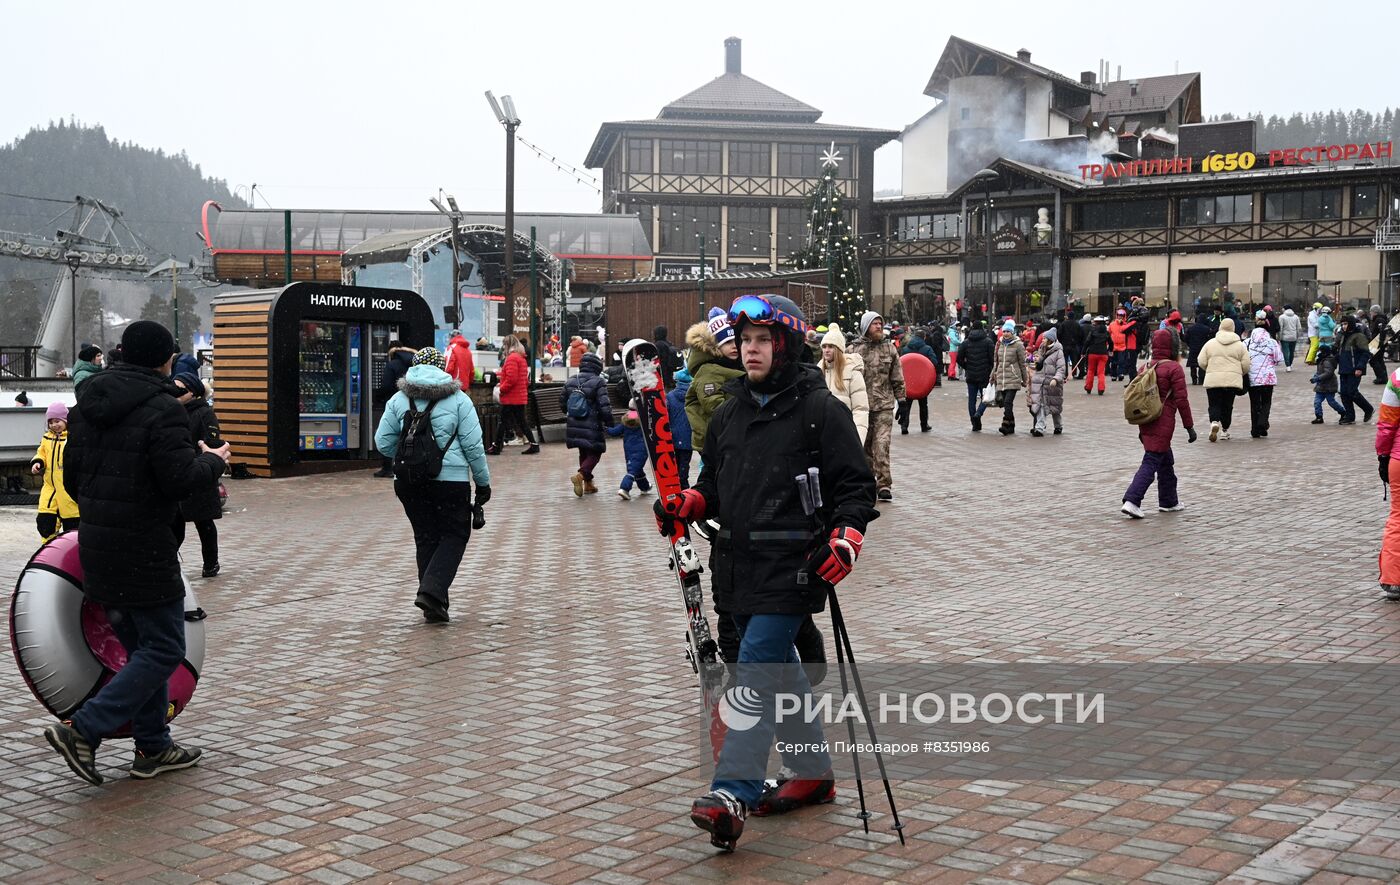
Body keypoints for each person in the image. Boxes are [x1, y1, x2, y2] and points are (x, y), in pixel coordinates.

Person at [653, 293, 877, 852]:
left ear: (785, 345)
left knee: (754, 668)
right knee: (780, 674)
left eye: (762, 342)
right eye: (745, 341)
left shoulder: (820, 410)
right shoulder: (730, 412)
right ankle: (812, 773)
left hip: (795, 567)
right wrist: (691, 503)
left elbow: (856, 487)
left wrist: (846, 541)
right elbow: (716, 485)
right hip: (735, 565)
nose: (750, 351)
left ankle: (732, 791)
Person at [45, 319, 229, 785]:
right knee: (165, 648)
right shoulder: (162, 408)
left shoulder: (87, 405)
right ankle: (83, 731)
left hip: (97, 545)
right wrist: (214, 460)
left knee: (141, 653)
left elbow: (70, 480)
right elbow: (179, 480)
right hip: (145, 548)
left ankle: (152, 747)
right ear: (167, 359)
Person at [374, 346, 491, 624]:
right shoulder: (460, 400)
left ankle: (434, 604)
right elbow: (474, 447)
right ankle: (431, 592)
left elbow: (383, 441)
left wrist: (409, 459)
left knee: (426, 536)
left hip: (409, 482)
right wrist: (483, 483)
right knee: (454, 534)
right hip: (450, 482)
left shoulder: (398, 399)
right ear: (442, 368)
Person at [1121, 329, 1197, 518]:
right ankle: (1132, 500)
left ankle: (1168, 501)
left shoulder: (1146, 366)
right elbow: (1182, 400)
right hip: (1163, 420)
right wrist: (1189, 426)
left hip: (1145, 419)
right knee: (1152, 459)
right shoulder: (1173, 368)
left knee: (1165, 461)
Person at [170, 373, 224, 576]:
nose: (175, 394)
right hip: (177, 474)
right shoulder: (171, 411)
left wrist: (201, 458)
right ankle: (167, 559)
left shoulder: (203, 413)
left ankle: (211, 563)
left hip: (199, 473)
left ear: (192, 393)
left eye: (180, 390)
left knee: (204, 522)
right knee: (175, 523)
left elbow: (212, 442)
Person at [848, 311, 905, 501]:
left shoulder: (889, 349)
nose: (879, 327)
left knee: (881, 445)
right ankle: (867, 483)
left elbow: (897, 377)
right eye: (875, 324)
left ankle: (884, 485)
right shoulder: (853, 350)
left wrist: (902, 401)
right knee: (863, 447)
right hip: (860, 407)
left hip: (884, 405)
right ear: (866, 327)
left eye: (880, 323)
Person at [686, 308, 745, 452]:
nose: (733, 346)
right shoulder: (709, 371)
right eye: (727, 342)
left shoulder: (735, 366)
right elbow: (714, 406)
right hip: (716, 439)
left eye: (736, 340)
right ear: (715, 347)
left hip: (728, 435)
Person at [560, 352, 614, 497]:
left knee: (584, 452)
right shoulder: (598, 381)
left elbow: (562, 403)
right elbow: (604, 405)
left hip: (574, 422)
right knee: (596, 452)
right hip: (592, 423)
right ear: (597, 366)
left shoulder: (571, 380)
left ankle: (588, 485)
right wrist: (609, 421)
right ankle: (581, 475)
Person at [30, 401, 79, 540]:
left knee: (73, 524)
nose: (54, 425)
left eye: (57, 421)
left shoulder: (71, 439)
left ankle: (72, 550)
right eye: (51, 422)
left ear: (65, 420)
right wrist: (38, 461)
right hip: (50, 487)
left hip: (67, 488)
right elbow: (41, 453)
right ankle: (48, 549)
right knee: (45, 522)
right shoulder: (46, 438)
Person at [1198, 317, 1251, 442]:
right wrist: (1238, 373)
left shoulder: (1210, 343)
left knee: (1214, 403)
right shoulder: (1240, 345)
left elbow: (1201, 361)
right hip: (1232, 380)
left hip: (1213, 379)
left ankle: (1214, 421)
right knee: (1228, 405)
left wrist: (1210, 369)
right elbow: (1246, 364)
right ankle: (1225, 430)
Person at [1373, 366, 1400, 598]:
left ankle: (1393, 580)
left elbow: (1387, 423)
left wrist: (1383, 455)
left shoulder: (1398, 377)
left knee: (1398, 517)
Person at [487, 335, 538, 455]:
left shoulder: (511, 358)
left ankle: (496, 447)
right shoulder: (521, 358)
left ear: (508, 345)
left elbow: (511, 379)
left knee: (503, 421)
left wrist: (502, 389)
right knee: (521, 422)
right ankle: (534, 444)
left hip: (511, 397)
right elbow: (524, 380)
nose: (503, 348)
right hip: (519, 396)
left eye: (504, 345)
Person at [819, 325, 868, 445]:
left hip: (846, 434)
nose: (826, 350)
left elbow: (860, 409)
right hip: (823, 436)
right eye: (824, 346)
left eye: (831, 346)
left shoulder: (852, 372)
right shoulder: (818, 372)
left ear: (839, 349)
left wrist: (857, 439)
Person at [373, 341, 417, 477]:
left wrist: (377, 397)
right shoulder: (415, 364)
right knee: (409, 435)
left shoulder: (392, 365)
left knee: (390, 434)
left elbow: (386, 385)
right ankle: (408, 464)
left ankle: (387, 468)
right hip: (414, 404)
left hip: (393, 403)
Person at [1245, 322, 1284, 438]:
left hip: (1252, 378)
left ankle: (1255, 430)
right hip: (1268, 378)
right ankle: (1262, 423)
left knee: (1254, 404)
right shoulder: (1272, 342)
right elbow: (1279, 359)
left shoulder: (1247, 342)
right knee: (1266, 402)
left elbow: (1242, 358)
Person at [992, 319, 1030, 436]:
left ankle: (1005, 424)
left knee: (1008, 402)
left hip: (1013, 377)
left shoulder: (1018, 345)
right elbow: (996, 362)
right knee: (1004, 403)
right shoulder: (999, 344)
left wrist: (1025, 379)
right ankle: (1011, 425)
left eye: (1008, 331)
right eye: (1004, 331)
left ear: (1012, 332)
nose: (1006, 333)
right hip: (1001, 377)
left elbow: (1022, 363)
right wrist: (993, 375)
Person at [956, 321, 996, 431]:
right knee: (985, 397)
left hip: (971, 375)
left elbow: (959, 359)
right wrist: (991, 371)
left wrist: (967, 367)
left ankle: (974, 423)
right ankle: (978, 413)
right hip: (984, 375)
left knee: (971, 400)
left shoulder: (966, 342)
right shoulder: (988, 342)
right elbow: (993, 359)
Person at [608, 404, 652, 500]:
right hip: (642, 449)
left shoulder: (625, 421)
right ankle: (624, 489)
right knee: (633, 470)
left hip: (629, 450)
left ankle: (645, 487)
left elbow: (614, 432)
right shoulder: (644, 421)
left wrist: (605, 428)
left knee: (637, 468)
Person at [1337, 314, 1375, 425]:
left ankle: (1368, 409)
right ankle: (1350, 416)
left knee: (1352, 392)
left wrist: (1360, 367)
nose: (1344, 326)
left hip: (1354, 369)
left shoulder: (1359, 336)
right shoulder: (1343, 336)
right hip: (1344, 368)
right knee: (1344, 393)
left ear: (1351, 324)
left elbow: (1365, 353)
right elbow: (1341, 352)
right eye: (1342, 324)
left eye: (1346, 323)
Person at [1028, 327, 1066, 437]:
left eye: (1045, 338)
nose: (1042, 340)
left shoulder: (1059, 352)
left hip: (1052, 384)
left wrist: (1056, 379)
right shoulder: (1041, 349)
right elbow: (1039, 364)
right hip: (1040, 382)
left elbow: (1061, 368)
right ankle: (1039, 428)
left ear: (1050, 339)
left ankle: (1058, 426)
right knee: (1040, 405)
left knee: (1055, 407)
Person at [896, 327, 935, 434]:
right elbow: (934, 363)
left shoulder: (906, 349)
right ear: (924, 337)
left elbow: (900, 364)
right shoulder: (927, 349)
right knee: (923, 405)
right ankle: (924, 425)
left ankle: (904, 426)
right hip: (922, 382)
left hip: (908, 382)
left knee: (907, 405)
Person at [668, 366, 695, 488]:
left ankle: (674, 487)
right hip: (688, 437)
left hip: (672, 437)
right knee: (684, 464)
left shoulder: (669, 396)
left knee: (673, 464)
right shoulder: (694, 396)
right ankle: (684, 487)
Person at [1311, 345, 1345, 424]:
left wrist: (1318, 378)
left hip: (1329, 385)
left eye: (1320, 351)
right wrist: (1315, 377)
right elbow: (1319, 372)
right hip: (1321, 385)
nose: (1319, 352)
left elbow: (1328, 373)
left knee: (1331, 401)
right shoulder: (1321, 360)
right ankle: (1319, 417)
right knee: (1317, 402)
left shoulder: (1327, 361)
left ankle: (1343, 412)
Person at [1082, 315, 1111, 395]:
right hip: (1103, 353)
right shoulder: (1106, 332)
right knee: (1101, 372)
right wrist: (1110, 350)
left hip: (1092, 353)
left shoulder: (1092, 331)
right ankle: (1101, 388)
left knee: (1090, 370)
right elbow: (1111, 343)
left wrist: (1083, 352)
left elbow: (1087, 342)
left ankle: (1088, 387)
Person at [1108, 309, 1136, 381]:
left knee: (1122, 361)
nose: (1120, 317)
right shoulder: (1112, 324)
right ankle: (1113, 375)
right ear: (1117, 316)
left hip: (1122, 346)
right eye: (1119, 315)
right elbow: (1108, 334)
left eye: (1122, 316)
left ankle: (1120, 373)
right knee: (1113, 362)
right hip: (1113, 346)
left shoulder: (1126, 324)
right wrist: (1108, 344)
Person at [1057, 311, 1084, 381]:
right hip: (1074, 345)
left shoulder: (1063, 324)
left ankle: (1065, 374)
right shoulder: (1077, 324)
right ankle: (1073, 373)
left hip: (1065, 344)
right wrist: (1077, 341)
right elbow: (1080, 335)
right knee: (1074, 359)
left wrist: (1061, 341)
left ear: (1068, 316)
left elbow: (1059, 333)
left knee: (1064, 360)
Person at [654, 325, 680, 390]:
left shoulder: (658, 345)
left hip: (663, 380)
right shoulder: (669, 344)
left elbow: (662, 364)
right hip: (671, 378)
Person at [1279, 306, 1302, 371]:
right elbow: (1298, 328)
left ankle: (1288, 366)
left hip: (1284, 337)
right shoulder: (1296, 317)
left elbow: (1280, 328)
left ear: (1285, 309)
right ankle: (1290, 364)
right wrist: (1297, 336)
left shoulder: (1282, 317)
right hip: (1293, 336)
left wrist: (1280, 337)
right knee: (1292, 351)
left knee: (1286, 351)